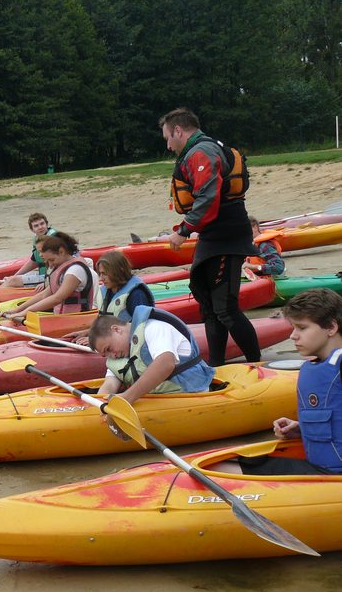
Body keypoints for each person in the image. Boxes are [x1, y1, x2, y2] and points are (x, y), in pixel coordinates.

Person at [161, 107, 260, 367]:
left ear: (178, 131)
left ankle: (257, 364)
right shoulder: (199, 150)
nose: (169, 145)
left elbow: (208, 196)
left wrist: (184, 230)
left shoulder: (202, 151)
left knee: (225, 309)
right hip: (214, 236)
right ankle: (216, 365)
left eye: (168, 138)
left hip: (227, 235)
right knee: (210, 308)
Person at [236, 289, 342, 476]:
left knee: (229, 467)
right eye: (293, 327)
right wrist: (303, 429)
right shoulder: (316, 367)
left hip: (331, 477)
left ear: (331, 328)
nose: (293, 335)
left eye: (302, 327)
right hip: (320, 468)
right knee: (235, 461)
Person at [88, 305, 215, 404]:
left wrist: (128, 397)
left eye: (109, 348)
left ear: (116, 330)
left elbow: (166, 363)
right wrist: (100, 404)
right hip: (158, 398)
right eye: (106, 354)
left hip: (190, 393)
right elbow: (110, 384)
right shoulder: (121, 353)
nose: (113, 355)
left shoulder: (153, 328)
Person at [66, 250, 156, 346]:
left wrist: (98, 339)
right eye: (100, 274)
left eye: (105, 274)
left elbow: (141, 329)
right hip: (111, 342)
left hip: (128, 347)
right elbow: (105, 323)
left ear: (120, 270)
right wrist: (90, 332)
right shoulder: (106, 291)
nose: (101, 278)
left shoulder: (136, 295)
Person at [1, 233, 97, 321]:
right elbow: (43, 295)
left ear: (61, 251)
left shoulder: (75, 270)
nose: (50, 265)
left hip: (77, 320)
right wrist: (17, 310)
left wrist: (25, 313)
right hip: (63, 317)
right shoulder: (61, 267)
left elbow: (57, 298)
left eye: (51, 260)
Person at [1, 212, 59, 287]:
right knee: (13, 279)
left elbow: (59, 262)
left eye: (42, 224)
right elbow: (33, 261)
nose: (40, 227)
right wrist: (14, 276)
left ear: (47, 224)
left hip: (53, 277)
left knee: (12, 281)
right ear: (32, 229)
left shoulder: (54, 238)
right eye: (36, 226)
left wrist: (47, 282)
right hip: (44, 275)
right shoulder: (37, 239)